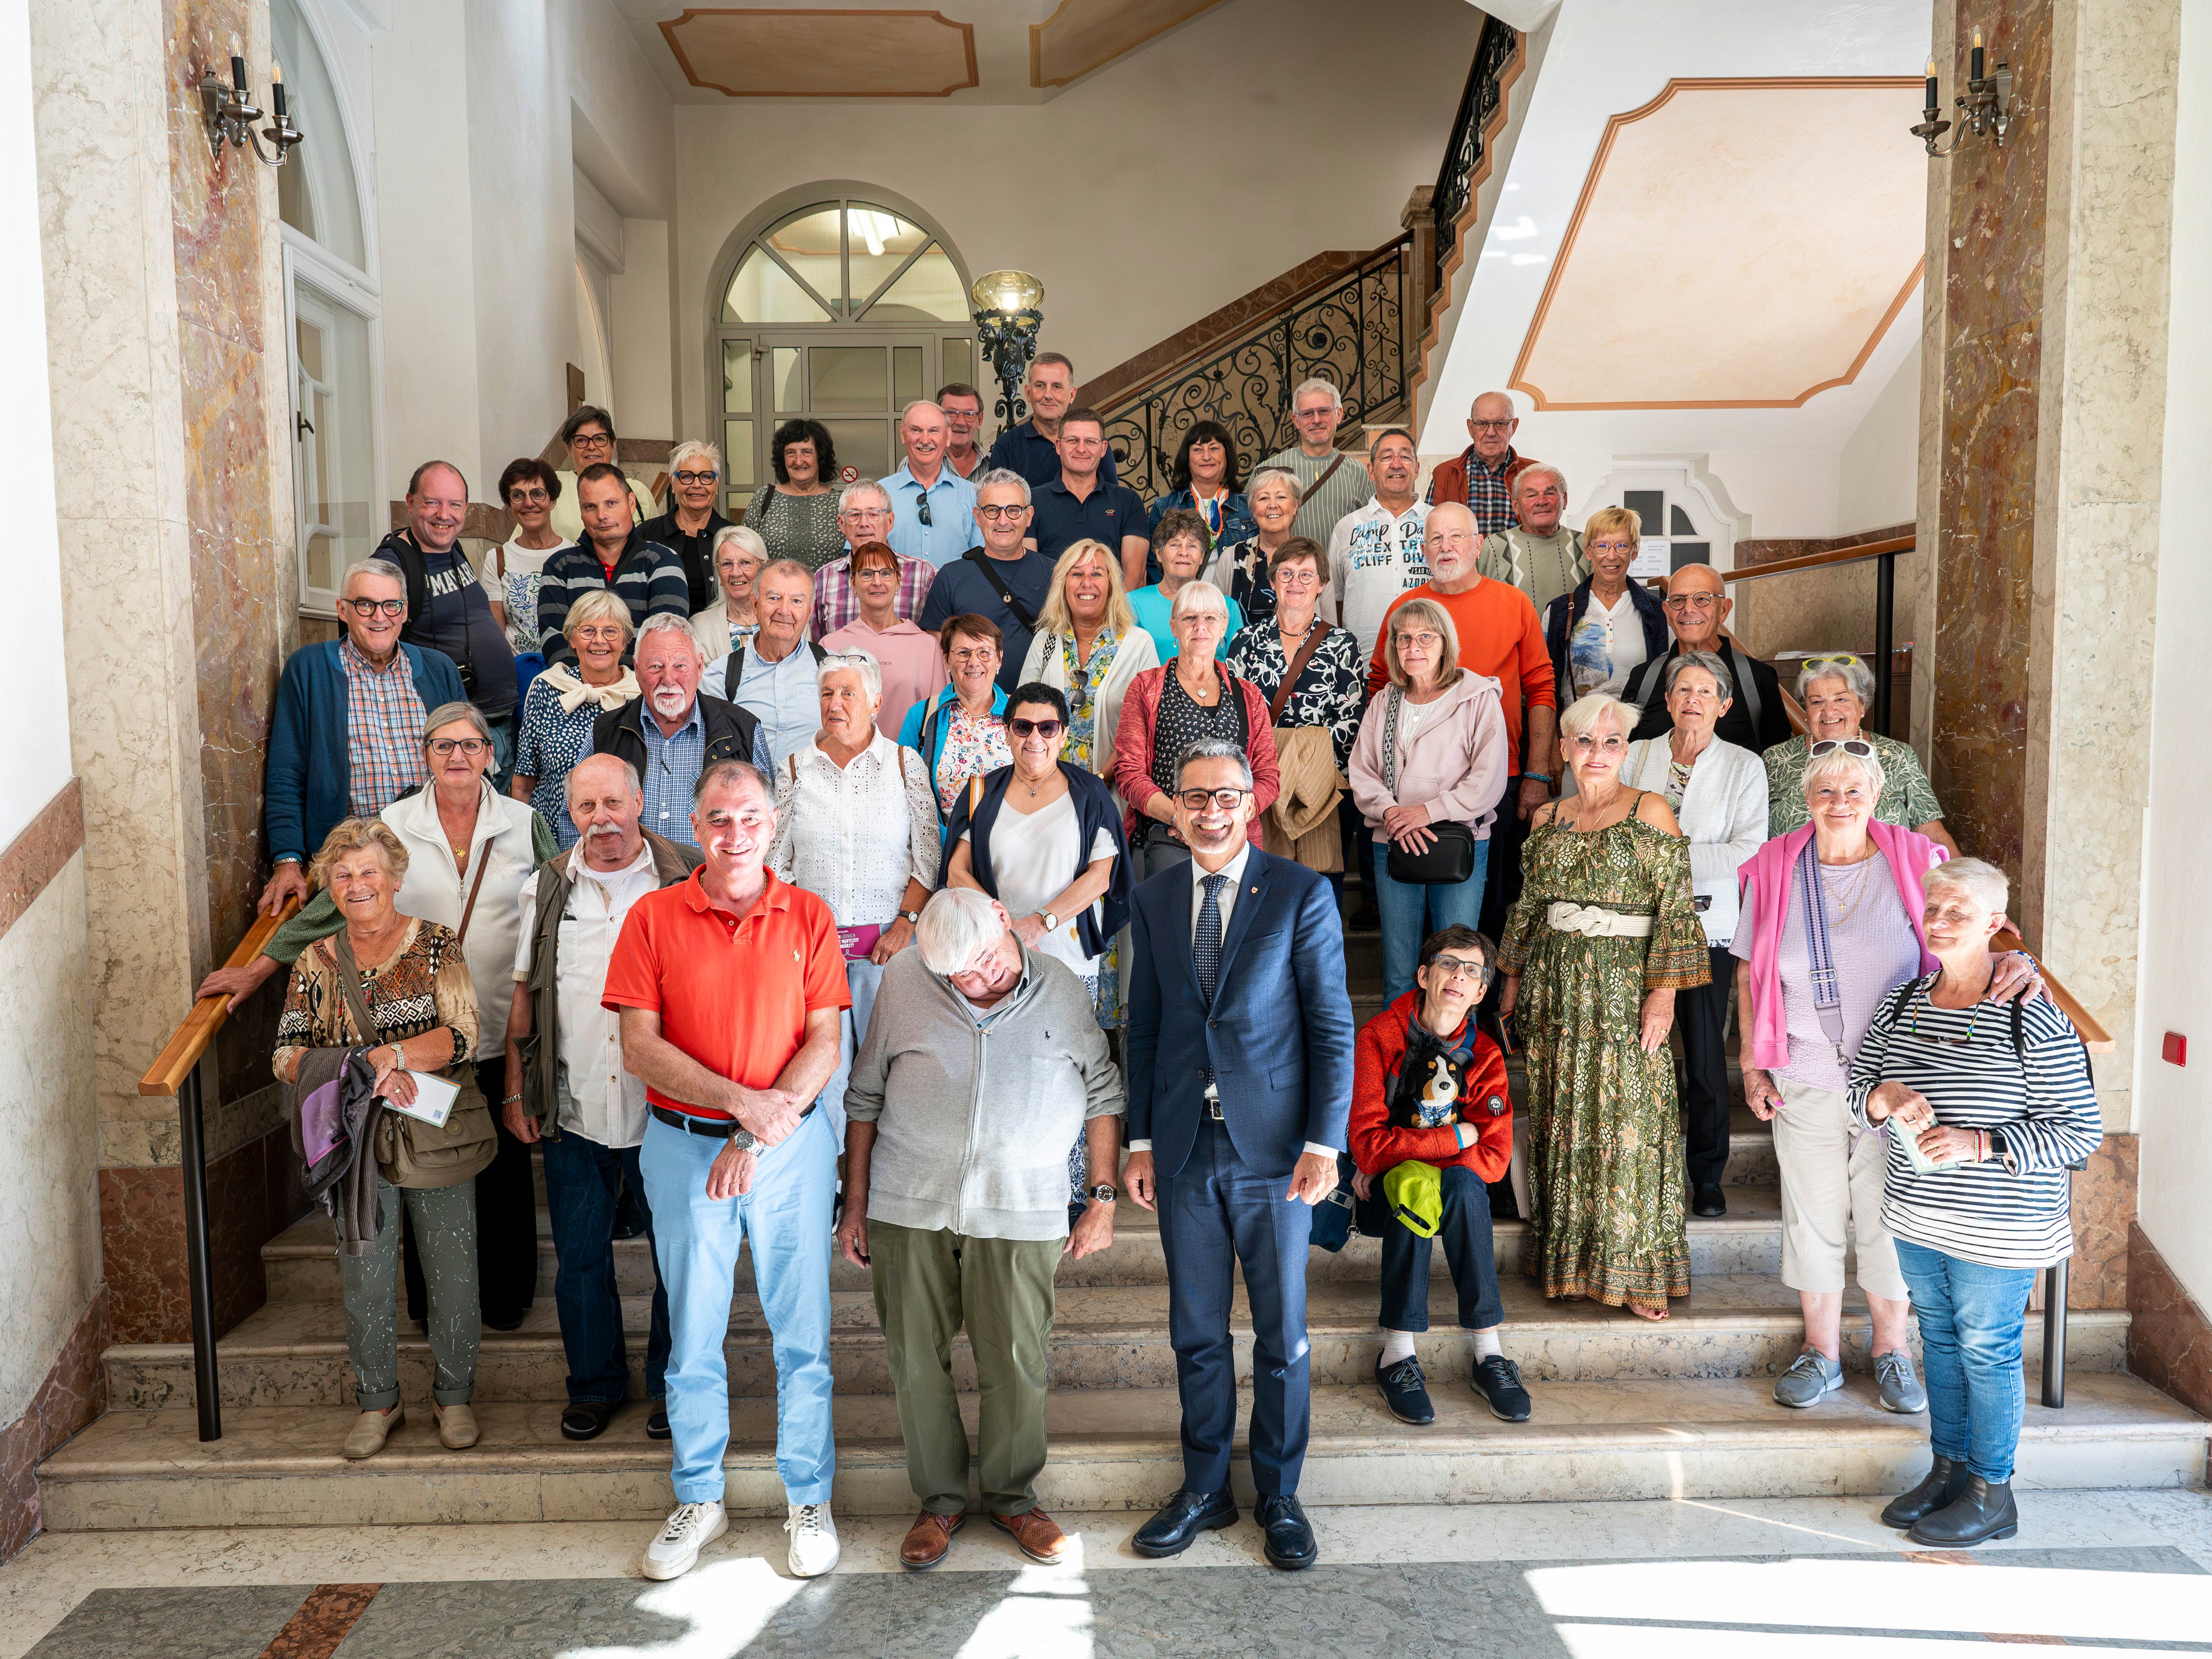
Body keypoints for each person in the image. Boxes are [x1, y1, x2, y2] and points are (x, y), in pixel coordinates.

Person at [603, 760, 848, 1583]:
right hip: (682, 1147)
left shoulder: (808, 915)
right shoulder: (653, 915)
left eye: (747, 818)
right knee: (693, 1336)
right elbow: (639, 1047)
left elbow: (824, 1043)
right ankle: (698, 1498)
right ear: (696, 823)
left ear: (773, 822)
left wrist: (760, 1126)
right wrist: (742, 1108)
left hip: (789, 1148)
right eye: (717, 819)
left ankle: (808, 1497)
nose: (733, 835)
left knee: (802, 1334)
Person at [839, 887, 1123, 1569]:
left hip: (1022, 1208)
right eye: (960, 975)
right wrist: (853, 1205)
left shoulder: (1059, 986)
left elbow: (1103, 1091)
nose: (980, 979)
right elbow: (865, 1094)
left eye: (988, 962)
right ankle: (939, 1501)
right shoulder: (907, 979)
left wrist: (1102, 1196)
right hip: (908, 1205)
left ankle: (1012, 1498)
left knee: (1017, 1360)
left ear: (1003, 918)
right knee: (915, 1360)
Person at [1122, 739, 1354, 1572]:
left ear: (1250, 802)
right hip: (1185, 1149)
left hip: (1275, 1154)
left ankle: (1280, 1494)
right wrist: (1140, 1139)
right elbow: (1142, 1026)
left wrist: (1324, 1143)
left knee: (1282, 1334)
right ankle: (1205, 1487)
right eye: (1193, 797)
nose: (1209, 812)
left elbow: (1331, 1026)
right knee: (1195, 1330)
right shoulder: (1150, 898)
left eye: (1224, 796)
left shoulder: (1300, 893)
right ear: (1174, 807)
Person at [258, 704, 556, 1333]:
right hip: (417, 1037)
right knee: (424, 1168)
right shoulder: (395, 822)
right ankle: (430, 1307)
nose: (457, 758)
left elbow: (560, 902)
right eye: (443, 746)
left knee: (501, 1170)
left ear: (490, 754)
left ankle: (506, 1301)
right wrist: (259, 966)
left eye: (471, 745)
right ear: (424, 753)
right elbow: (333, 906)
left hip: (504, 1021)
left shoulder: (526, 823)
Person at [1733, 744, 2010, 1413]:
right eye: (1825, 791)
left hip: (1904, 1083)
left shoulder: (1917, 862)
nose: (1839, 802)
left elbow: (1970, 940)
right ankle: (1820, 1353)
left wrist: (2014, 966)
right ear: (1805, 799)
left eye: (1853, 790)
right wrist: (1750, 1062)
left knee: (1890, 1218)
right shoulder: (1775, 867)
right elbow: (1746, 972)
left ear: (1877, 795)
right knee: (1812, 1214)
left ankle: (1891, 1350)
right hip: (1802, 1073)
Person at [1854, 858, 2101, 1547]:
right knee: (1937, 1339)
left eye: (1957, 912)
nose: (1937, 922)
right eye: (1932, 908)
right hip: (1916, 1213)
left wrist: (1979, 1144)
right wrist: (1880, 1097)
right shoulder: (1902, 1001)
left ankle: (1993, 1492)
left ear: (1996, 924)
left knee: (1988, 1350)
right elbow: (1860, 1088)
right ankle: (1948, 1471)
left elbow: (2079, 1132)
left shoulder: (2032, 1014)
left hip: (1999, 1224)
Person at [271, 819, 487, 1460]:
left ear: (395, 878)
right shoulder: (316, 958)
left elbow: (464, 1033)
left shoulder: (435, 945)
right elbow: (286, 1052)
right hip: (352, 1142)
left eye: (369, 872)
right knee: (364, 1273)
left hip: (434, 1135)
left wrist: (392, 1057)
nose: (357, 885)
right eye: (342, 875)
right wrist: (357, 1075)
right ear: (328, 888)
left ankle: (454, 1397)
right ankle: (378, 1402)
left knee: (452, 1273)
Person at [1497, 692, 1709, 1321]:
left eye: (1610, 741)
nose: (1596, 753)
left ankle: (1636, 1271)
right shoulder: (1547, 821)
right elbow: (1528, 908)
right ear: (1562, 749)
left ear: (1625, 750)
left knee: (1628, 1127)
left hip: (1623, 990)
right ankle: (1573, 1266)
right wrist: (1509, 981)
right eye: (1583, 741)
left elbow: (1675, 909)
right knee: (1564, 1121)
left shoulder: (1651, 811)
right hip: (1554, 989)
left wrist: (1663, 993)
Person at [505, 755, 685, 1441]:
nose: (601, 820)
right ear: (568, 813)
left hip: (667, 1112)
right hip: (575, 1106)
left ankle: (675, 1384)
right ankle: (595, 1385)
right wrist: (515, 1088)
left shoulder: (682, 875)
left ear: (639, 801)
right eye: (586, 808)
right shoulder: (547, 889)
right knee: (580, 1259)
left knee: (677, 1257)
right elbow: (524, 993)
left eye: (613, 803)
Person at [1349, 925, 1530, 1425]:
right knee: (1415, 1181)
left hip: (1456, 1193)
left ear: (1480, 993)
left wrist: (1404, 1152)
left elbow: (1494, 1157)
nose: (1460, 975)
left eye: (1473, 971)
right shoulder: (1379, 1037)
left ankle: (1489, 1354)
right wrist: (1455, 1138)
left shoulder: (1486, 1054)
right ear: (1424, 974)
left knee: (1464, 1182)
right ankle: (1397, 1354)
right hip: (1387, 1193)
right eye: (1449, 964)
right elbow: (1365, 1144)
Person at [1617, 653, 1768, 1217]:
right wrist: (1669, 859)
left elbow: (1747, 850)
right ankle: (1636, 1170)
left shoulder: (1742, 766)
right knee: (1636, 1054)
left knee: (1705, 1061)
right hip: (1635, 923)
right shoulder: (1634, 756)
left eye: (1705, 691)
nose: (1693, 699)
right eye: (1683, 688)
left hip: (1710, 926)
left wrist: (1665, 855)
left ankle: (1705, 1176)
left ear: (1724, 704)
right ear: (1668, 699)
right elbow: (1613, 830)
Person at [768, 650, 940, 1140]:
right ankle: (833, 1178)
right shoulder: (796, 769)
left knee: (890, 1065)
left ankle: (881, 1180)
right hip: (814, 952)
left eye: (848, 693)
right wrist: (797, 931)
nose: (836, 703)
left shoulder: (905, 765)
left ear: (875, 702)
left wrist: (907, 921)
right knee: (824, 1070)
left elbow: (928, 855)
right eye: (827, 693)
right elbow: (776, 864)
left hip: (887, 949)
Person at [1370, 503, 1559, 943]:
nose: (1446, 547)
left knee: (1487, 906)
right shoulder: (1407, 607)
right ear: (1423, 549)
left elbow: (1541, 687)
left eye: (1457, 537)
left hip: (1498, 778)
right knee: (1411, 920)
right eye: (1436, 538)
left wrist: (1536, 772)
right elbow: (1381, 686)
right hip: (1411, 790)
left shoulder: (1513, 603)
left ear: (1477, 545)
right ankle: (1415, 1006)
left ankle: (1481, 1008)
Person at [258, 559, 467, 917]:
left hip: (433, 848)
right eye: (365, 604)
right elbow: (285, 773)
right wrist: (288, 860)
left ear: (405, 612)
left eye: (392, 605)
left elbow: (469, 760)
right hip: (350, 856)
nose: (380, 617)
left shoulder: (438, 669)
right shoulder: (309, 669)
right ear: (343, 610)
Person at [946, 682, 1134, 1031]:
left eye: (1047, 728)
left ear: (1063, 735)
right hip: (992, 958)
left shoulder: (1089, 793)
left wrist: (1039, 923)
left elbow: (1101, 876)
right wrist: (1001, 928)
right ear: (1008, 733)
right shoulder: (981, 792)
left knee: (1064, 1055)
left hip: (1067, 953)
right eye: (1023, 727)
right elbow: (957, 872)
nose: (1035, 739)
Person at [1350, 599, 1510, 1003]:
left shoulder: (1478, 696)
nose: (1413, 647)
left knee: (1458, 968)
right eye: (1404, 638)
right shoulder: (1386, 702)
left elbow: (1487, 781)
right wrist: (1391, 812)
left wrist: (1426, 812)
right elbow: (1363, 771)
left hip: (1457, 841)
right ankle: (1400, 1062)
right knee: (1400, 970)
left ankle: (1451, 1061)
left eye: (1425, 637)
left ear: (1445, 644)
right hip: (1394, 841)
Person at [1113, 580, 1281, 879]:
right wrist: (1180, 818)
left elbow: (1268, 776)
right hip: (1166, 839)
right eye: (1189, 618)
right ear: (1174, 627)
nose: (1200, 626)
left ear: (1223, 627)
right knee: (1171, 924)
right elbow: (1129, 773)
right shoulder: (1146, 687)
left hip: (1234, 844)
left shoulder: (1249, 695)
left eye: (1210, 618)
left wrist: (1229, 818)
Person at [1226, 538, 1363, 883]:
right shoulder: (1246, 641)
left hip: (1321, 790)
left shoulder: (1342, 644)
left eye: (1306, 575)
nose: (1295, 583)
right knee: (1264, 886)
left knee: (1320, 887)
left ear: (1322, 584)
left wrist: (1298, 764)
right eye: (1286, 574)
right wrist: (1274, 767)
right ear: (1272, 582)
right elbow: (1232, 715)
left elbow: (1350, 721)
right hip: (1260, 786)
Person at [372, 461, 520, 764]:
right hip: (454, 737)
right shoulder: (392, 565)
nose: (444, 515)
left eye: (455, 505)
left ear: (466, 508)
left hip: (495, 724)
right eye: (432, 503)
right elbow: (373, 647)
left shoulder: (452, 548)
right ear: (411, 503)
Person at [592, 614, 772, 846]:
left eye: (680, 666)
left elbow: (766, 823)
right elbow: (578, 817)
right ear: (636, 669)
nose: (669, 679)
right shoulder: (606, 732)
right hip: (632, 878)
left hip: (713, 878)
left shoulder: (743, 730)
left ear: (699, 667)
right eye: (656, 666)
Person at [1764, 654, 1957, 852]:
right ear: (1806, 710)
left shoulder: (1898, 756)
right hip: (1796, 877)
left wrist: (1965, 880)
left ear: (1862, 706)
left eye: (1841, 699)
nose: (1829, 711)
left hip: (1887, 877)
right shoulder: (1777, 760)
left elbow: (1931, 832)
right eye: (1817, 702)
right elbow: (1753, 834)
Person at [1019, 538, 1161, 799]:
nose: (1087, 583)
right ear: (1064, 584)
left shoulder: (1139, 644)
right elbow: (1022, 716)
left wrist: (1099, 782)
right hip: (1046, 793)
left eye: (1097, 574)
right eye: (1077, 574)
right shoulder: (1046, 641)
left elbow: (1145, 728)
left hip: (1113, 797)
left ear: (1111, 585)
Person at [512, 590, 641, 848]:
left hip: (621, 842)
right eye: (588, 631)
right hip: (552, 842)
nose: (599, 641)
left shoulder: (641, 695)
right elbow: (525, 782)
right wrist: (522, 843)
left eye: (611, 632)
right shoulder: (545, 689)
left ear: (625, 641)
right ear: (572, 638)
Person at [1619, 563, 1791, 753]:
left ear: (1724, 610)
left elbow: (1776, 759)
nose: (1689, 609)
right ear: (1667, 613)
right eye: (1678, 601)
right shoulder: (1643, 678)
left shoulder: (1758, 678)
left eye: (1702, 599)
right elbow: (1622, 751)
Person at [537, 464, 690, 666]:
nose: (602, 515)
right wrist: (591, 686)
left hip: (643, 691)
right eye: (590, 507)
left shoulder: (662, 561)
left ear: (631, 502)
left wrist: (620, 682)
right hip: (577, 691)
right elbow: (554, 641)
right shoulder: (560, 567)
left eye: (611, 503)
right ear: (581, 511)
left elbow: (664, 639)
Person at [917, 470, 1055, 692]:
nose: (1003, 520)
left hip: (1036, 711)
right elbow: (937, 657)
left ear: (1029, 516)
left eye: (1013, 511)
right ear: (977, 516)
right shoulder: (951, 577)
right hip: (967, 711)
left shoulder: (1054, 574)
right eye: (992, 510)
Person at [703, 561, 828, 768]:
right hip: (747, 796)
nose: (784, 611)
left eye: (797, 601)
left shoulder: (833, 671)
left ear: (810, 610)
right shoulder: (721, 676)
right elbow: (710, 752)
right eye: (774, 598)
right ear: (755, 604)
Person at [822, 542, 949, 738]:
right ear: (853, 583)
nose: (877, 582)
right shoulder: (830, 646)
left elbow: (939, 716)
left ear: (899, 581)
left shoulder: (926, 646)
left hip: (908, 760)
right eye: (867, 574)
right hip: (844, 763)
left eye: (886, 573)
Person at [1544, 505, 1667, 706]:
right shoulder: (1560, 611)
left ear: (1634, 551)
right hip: (1576, 731)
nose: (1611, 556)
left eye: (1622, 546)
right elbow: (1545, 685)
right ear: (1589, 552)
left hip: (1636, 733)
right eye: (1602, 546)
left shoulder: (1658, 613)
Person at [1327, 426, 1429, 660]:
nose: (1396, 464)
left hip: (1431, 663)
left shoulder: (1438, 523)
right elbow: (1336, 601)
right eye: (1386, 457)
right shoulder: (1346, 527)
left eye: (1405, 456)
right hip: (1363, 663)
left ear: (1417, 468)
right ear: (1371, 471)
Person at [900, 615, 1013, 820]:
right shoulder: (922, 715)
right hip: (941, 845)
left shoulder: (1020, 713)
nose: (974, 662)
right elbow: (900, 791)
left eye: (984, 653)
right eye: (963, 653)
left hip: (1008, 846)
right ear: (946, 658)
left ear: (999, 659)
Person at [1026, 408, 1148, 582]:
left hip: (1113, 608)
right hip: (1048, 608)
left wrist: (1113, 611)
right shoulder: (1032, 501)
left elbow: (1134, 576)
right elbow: (1029, 573)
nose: (1081, 449)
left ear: (1103, 448)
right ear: (1059, 446)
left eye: (1090, 442)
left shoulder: (1128, 502)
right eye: (1073, 440)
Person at [811, 482, 935, 639]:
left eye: (874, 514)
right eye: (854, 515)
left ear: (890, 521)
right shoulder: (823, 579)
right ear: (842, 524)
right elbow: (815, 647)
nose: (864, 523)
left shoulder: (923, 575)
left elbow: (933, 646)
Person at [1259, 378, 1375, 544]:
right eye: (1307, 414)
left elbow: (1372, 529)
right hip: (1286, 569)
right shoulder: (1269, 471)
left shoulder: (1358, 472)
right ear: (1296, 421)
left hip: (1340, 570)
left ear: (1339, 414)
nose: (1316, 420)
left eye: (1324, 411)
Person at [986, 351, 1121, 489]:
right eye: (1040, 386)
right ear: (1028, 393)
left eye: (1057, 387)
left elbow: (1111, 500)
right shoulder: (1007, 445)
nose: (1048, 395)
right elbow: (996, 503)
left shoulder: (1093, 445)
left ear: (1072, 394)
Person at [1129, 509, 1245, 667]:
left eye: (1192, 546)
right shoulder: (1132, 604)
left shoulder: (1226, 606)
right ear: (1158, 553)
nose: (1183, 552)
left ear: (1202, 557)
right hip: (1151, 691)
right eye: (1175, 544)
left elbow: (1238, 668)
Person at [485, 458, 572, 658]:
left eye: (538, 494)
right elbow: (496, 635)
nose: (529, 503)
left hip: (569, 674)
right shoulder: (498, 559)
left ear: (552, 500)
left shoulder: (574, 555)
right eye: (518, 496)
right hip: (520, 675)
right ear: (509, 504)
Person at [640, 439, 735, 614]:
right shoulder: (646, 535)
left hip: (719, 637)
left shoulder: (735, 537)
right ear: (673, 483)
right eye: (686, 477)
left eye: (706, 477)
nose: (697, 485)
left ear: (717, 484)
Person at [1478, 465, 1587, 618]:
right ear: (1516, 505)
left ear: (1565, 499)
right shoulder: (1492, 548)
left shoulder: (1587, 545)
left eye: (1550, 493)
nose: (1541, 501)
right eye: (1531, 496)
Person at [1425, 390, 1539, 536]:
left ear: (1514, 426)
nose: (1491, 432)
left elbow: (1546, 532)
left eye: (1500, 424)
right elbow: (1429, 533)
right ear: (1471, 428)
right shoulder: (1445, 474)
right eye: (1482, 424)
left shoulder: (1534, 474)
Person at [882, 400, 979, 569]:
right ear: (903, 434)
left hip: (954, 596)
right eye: (916, 430)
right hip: (896, 595)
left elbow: (982, 562)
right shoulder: (879, 494)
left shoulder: (972, 496)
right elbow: (860, 556)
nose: (925, 440)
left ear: (948, 437)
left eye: (934, 431)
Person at [1146, 419, 1255, 564]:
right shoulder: (1164, 508)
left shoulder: (1249, 507)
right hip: (1183, 587)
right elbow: (1154, 564)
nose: (1206, 457)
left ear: (1227, 455)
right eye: (1198, 450)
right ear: (1187, 457)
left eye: (1214, 449)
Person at [747, 419, 845, 573]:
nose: (799, 461)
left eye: (807, 452)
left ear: (820, 457)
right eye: (791, 453)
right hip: (775, 595)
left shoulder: (840, 503)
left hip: (827, 595)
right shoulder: (764, 498)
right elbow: (745, 554)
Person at [1208, 466, 1300, 626]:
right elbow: (1215, 622)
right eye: (1264, 498)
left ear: (1295, 506)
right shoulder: (1232, 557)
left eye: (1282, 497)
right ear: (1252, 509)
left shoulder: (1311, 557)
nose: (1273, 505)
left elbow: (1327, 622)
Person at [549, 404, 654, 543]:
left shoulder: (638, 491)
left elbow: (654, 542)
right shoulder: (552, 486)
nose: (592, 447)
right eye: (581, 440)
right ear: (569, 449)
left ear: (613, 446)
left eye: (599, 439)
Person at [689, 524, 767, 661]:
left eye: (745, 563)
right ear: (719, 574)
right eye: (727, 564)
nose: (736, 573)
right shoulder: (700, 627)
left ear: (764, 569)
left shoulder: (786, 619)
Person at [936, 382, 989, 481]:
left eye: (969, 414)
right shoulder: (915, 465)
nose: (961, 422)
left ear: (980, 420)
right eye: (951, 413)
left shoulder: (995, 465)